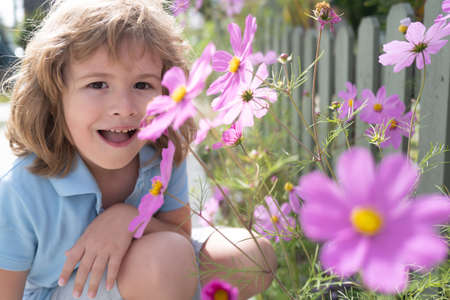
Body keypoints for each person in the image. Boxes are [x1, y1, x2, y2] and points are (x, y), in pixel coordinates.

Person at [0, 0, 277, 299]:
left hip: (154, 266)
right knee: (165, 259)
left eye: (142, 85)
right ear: (54, 94)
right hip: (65, 291)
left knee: (254, 257)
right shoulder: (23, 188)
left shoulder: (160, 151)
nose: (124, 108)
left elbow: (180, 236)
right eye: (97, 85)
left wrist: (128, 219)